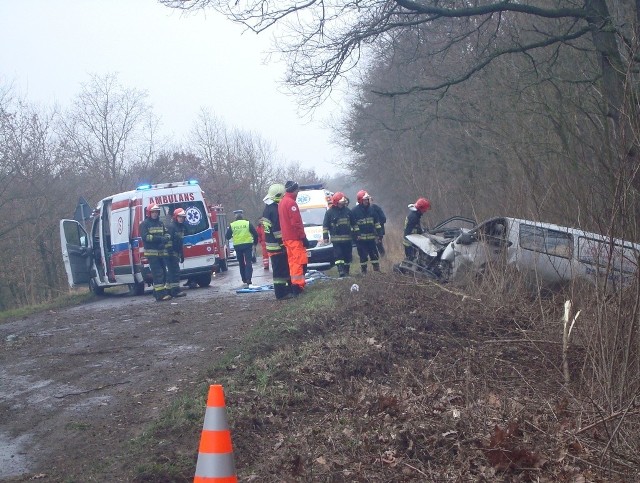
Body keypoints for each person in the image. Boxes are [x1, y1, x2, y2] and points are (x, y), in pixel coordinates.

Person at [261, 183, 293, 299]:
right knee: (281, 271)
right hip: (277, 246)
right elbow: (278, 230)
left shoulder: (267, 209)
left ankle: (283, 292)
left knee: (278, 270)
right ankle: (281, 294)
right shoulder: (275, 210)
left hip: (271, 245)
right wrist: (283, 244)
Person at [278, 180, 309, 296]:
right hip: (294, 238)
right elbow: (296, 223)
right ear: (294, 190)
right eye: (297, 190)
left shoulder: (282, 202)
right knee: (298, 261)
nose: (298, 192)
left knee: (292, 262)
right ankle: (298, 286)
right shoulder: (291, 203)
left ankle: (295, 284)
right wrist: (303, 237)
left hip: (287, 238)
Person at [139, 204, 171, 301]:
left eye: (156, 212)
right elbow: (146, 237)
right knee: (158, 273)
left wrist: (165, 239)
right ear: (149, 213)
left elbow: (167, 233)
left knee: (164, 273)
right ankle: (160, 295)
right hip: (152, 253)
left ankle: (158, 292)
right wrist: (159, 239)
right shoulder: (144, 224)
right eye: (153, 212)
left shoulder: (160, 223)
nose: (155, 214)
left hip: (161, 252)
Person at [320, 191, 356, 277]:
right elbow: (325, 226)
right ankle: (341, 271)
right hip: (336, 240)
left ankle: (347, 271)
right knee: (338, 256)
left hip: (347, 239)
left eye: (343, 201)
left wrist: (356, 234)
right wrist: (325, 237)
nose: (343, 203)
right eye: (341, 201)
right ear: (336, 202)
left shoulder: (348, 211)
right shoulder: (329, 213)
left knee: (347, 256)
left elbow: (354, 224)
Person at [351, 190, 383, 273]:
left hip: (371, 239)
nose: (367, 201)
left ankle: (377, 270)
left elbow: (377, 224)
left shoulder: (372, 210)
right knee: (363, 256)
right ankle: (364, 272)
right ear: (360, 200)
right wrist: (355, 237)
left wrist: (380, 234)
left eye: (367, 199)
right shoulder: (354, 211)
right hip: (360, 240)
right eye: (365, 199)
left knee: (374, 255)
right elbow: (352, 226)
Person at [226, 211, 259, 288]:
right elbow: (255, 234)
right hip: (247, 245)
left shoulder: (232, 225)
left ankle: (243, 278)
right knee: (248, 262)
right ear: (242, 217)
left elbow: (227, 236)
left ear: (235, 218)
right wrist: (255, 243)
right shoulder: (247, 223)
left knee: (241, 262)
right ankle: (248, 279)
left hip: (238, 246)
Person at [164, 208, 188, 298]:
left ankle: (170, 291)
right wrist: (170, 253)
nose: (181, 219)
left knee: (173, 272)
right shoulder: (171, 227)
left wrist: (182, 254)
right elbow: (168, 241)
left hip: (176, 253)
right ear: (175, 217)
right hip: (170, 253)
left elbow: (180, 242)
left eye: (183, 217)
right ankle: (174, 291)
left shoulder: (181, 227)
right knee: (174, 272)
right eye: (180, 217)